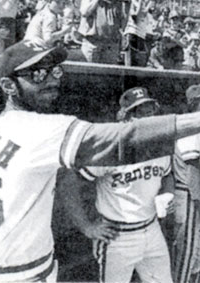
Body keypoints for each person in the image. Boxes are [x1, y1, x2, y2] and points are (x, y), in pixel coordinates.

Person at [0, 40, 200, 282]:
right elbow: (124, 139)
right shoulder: (44, 130)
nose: (51, 80)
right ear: (8, 85)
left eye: (55, 70)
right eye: (37, 74)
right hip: (30, 272)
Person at [61, 87, 174, 283]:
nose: (148, 115)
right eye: (140, 111)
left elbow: (167, 174)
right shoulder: (112, 148)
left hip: (152, 228)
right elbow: (67, 182)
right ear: (126, 118)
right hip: (118, 235)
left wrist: (168, 193)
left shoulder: (159, 144)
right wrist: (87, 227)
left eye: (150, 109)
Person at [173, 84, 200, 283]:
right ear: (194, 105)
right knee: (186, 252)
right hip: (189, 195)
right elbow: (192, 172)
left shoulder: (197, 126)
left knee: (199, 246)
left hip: (195, 192)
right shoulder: (191, 130)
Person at [78, 0, 123, 64]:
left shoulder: (115, 4)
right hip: (92, 43)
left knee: (109, 75)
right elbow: (84, 13)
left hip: (110, 45)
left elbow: (120, 25)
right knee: (90, 73)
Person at [122, 0, 155, 67]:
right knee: (130, 66)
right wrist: (143, 3)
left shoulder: (145, 3)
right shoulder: (131, 0)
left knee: (139, 66)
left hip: (141, 36)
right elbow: (136, 17)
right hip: (132, 34)